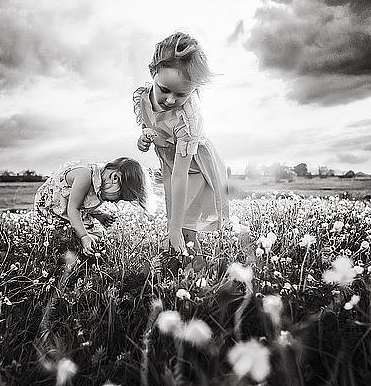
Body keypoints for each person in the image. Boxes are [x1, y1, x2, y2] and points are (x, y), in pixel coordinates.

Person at [133, 31, 230, 263]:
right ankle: (181, 266)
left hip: (194, 169)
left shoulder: (187, 120)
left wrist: (175, 228)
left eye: (181, 94)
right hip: (171, 165)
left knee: (184, 227)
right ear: (153, 73)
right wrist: (143, 140)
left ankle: (197, 275)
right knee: (174, 218)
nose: (169, 100)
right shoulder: (143, 98)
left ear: (194, 89)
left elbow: (181, 175)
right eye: (164, 89)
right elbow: (151, 128)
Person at [34, 157, 149, 256]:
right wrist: (84, 236)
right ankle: (79, 244)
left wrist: (99, 215)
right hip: (51, 211)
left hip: (68, 211)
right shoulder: (85, 176)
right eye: (120, 196)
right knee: (63, 239)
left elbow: (83, 203)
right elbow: (73, 208)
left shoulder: (103, 184)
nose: (117, 201)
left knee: (101, 234)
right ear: (115, 178)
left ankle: (86, 243)